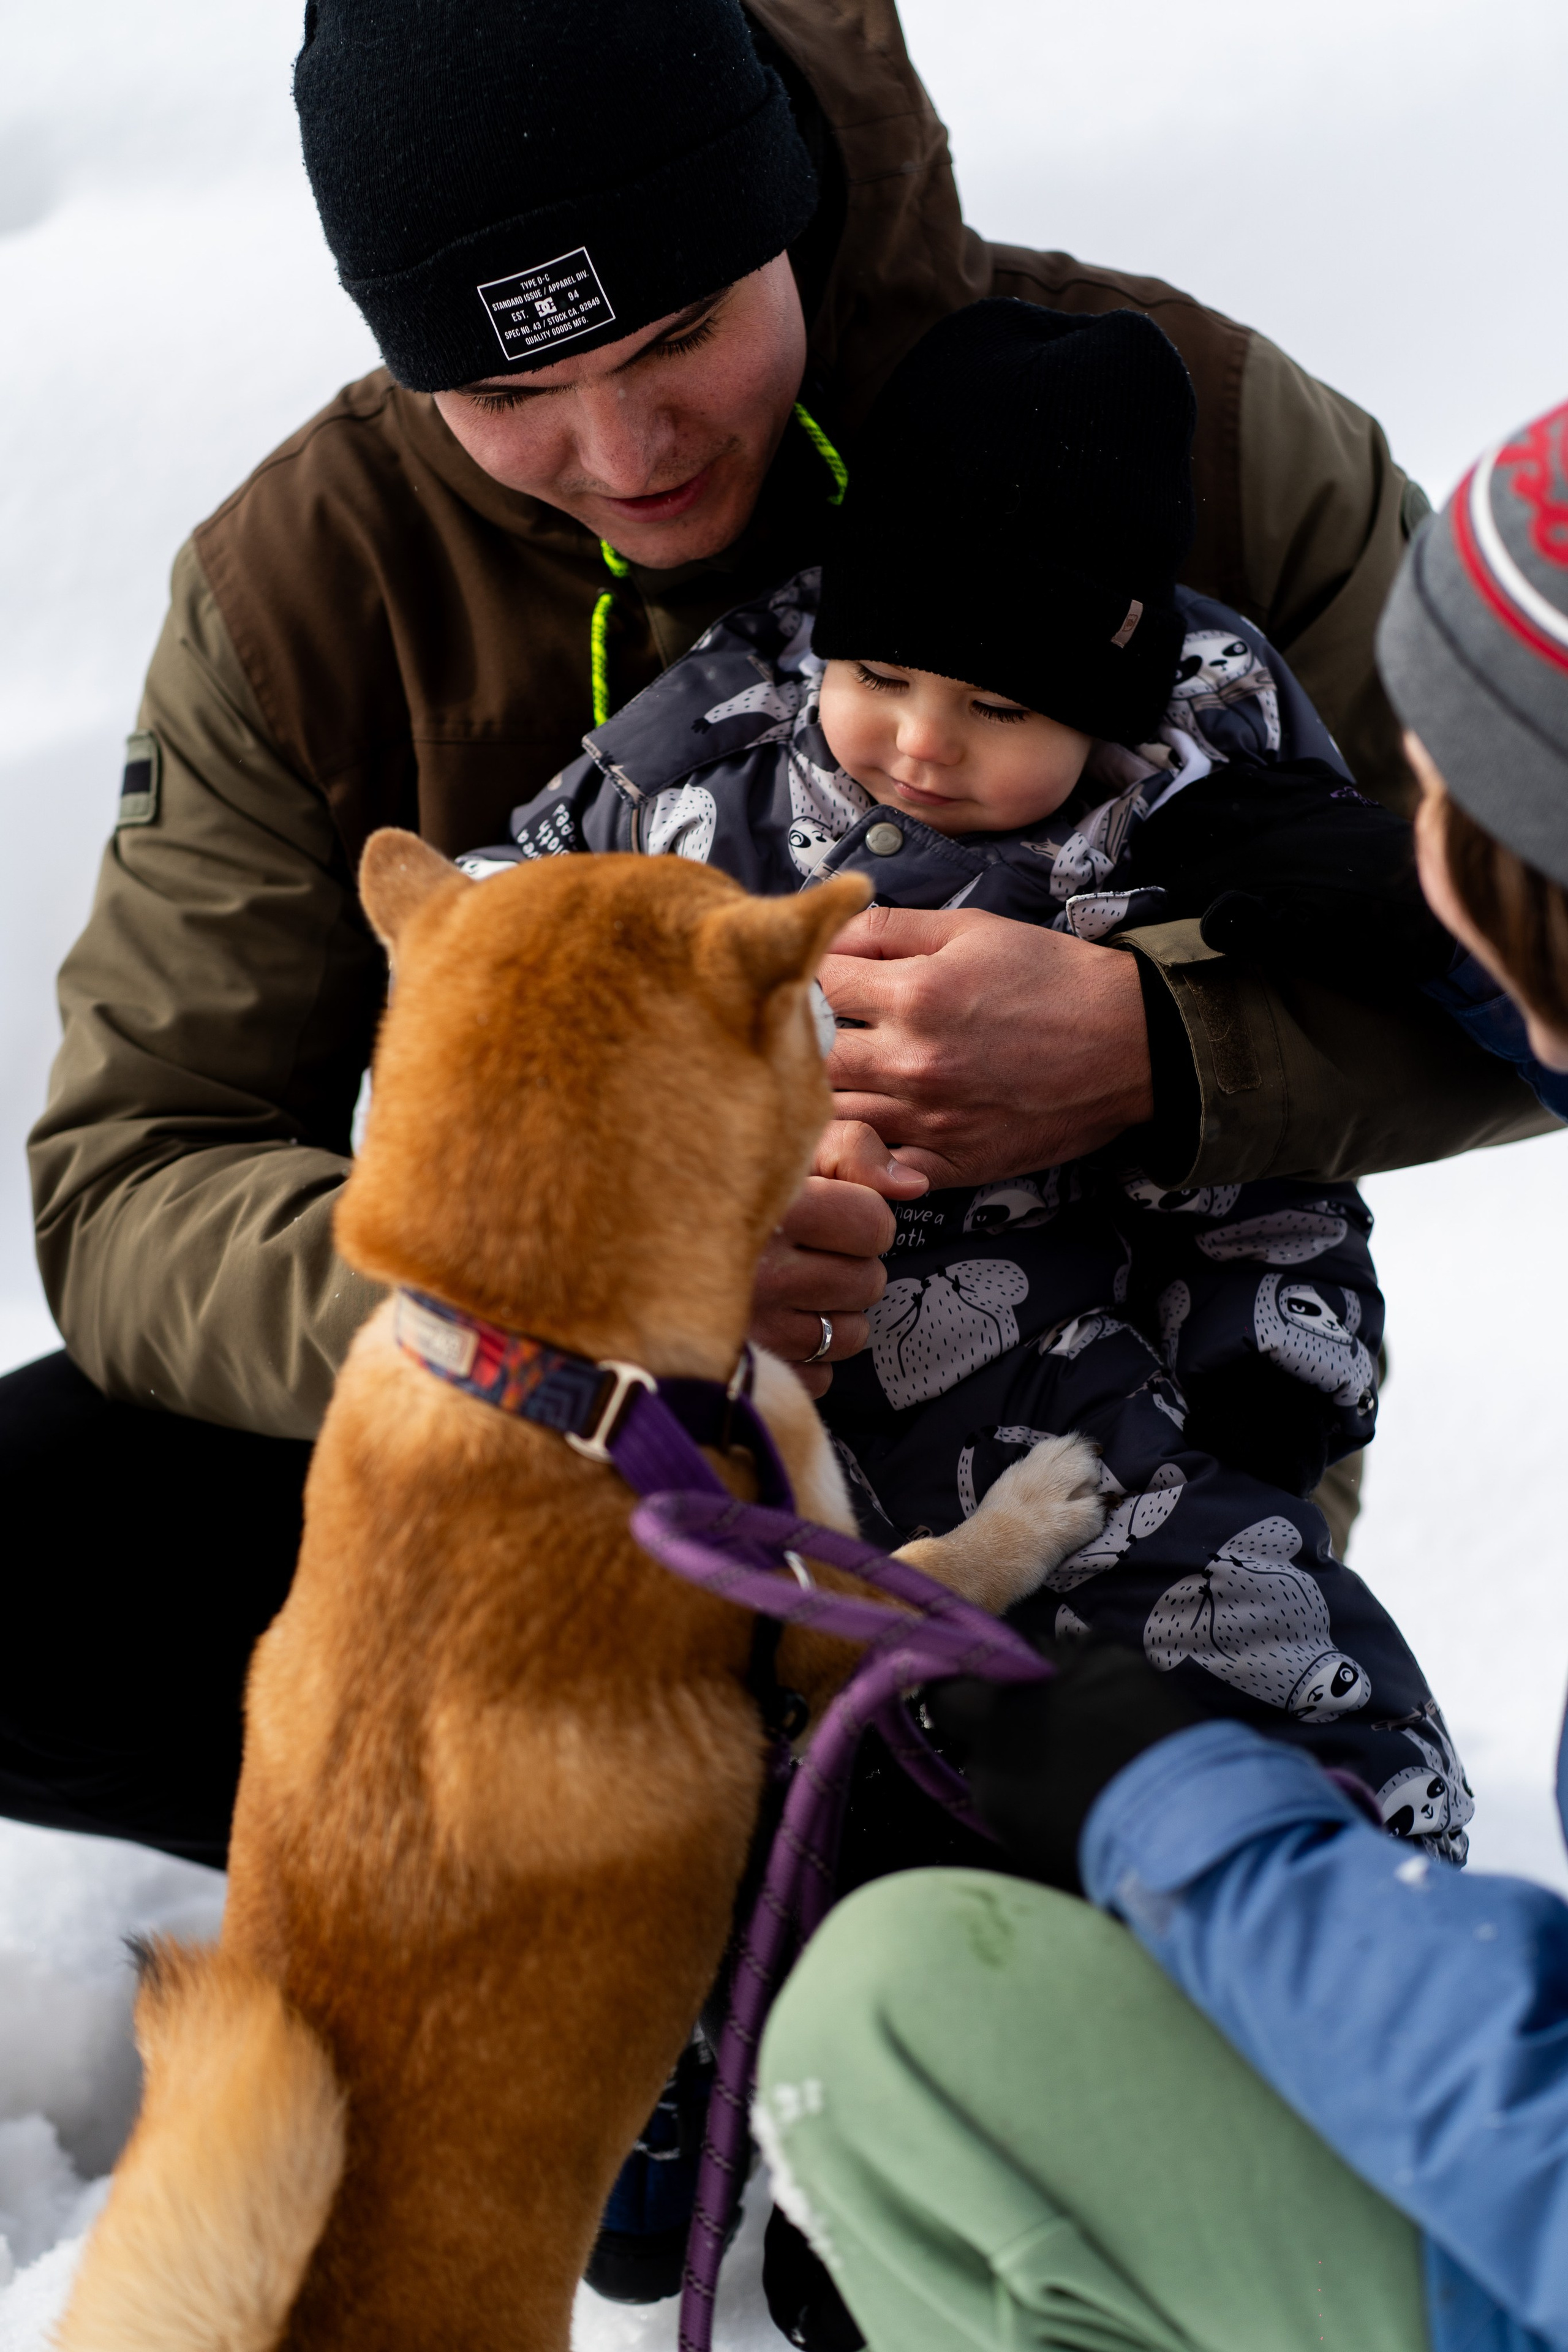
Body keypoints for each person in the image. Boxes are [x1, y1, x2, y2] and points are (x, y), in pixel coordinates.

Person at [8, 0, 1547, 1885]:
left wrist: (1164, 1052)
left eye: (680, 336)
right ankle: (568, 1893)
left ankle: (961, 1893)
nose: (624, 449)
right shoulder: (309, 585)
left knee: (1090, 1880)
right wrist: (557, 1312)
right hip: (555, 1467)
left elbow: (1536, 921)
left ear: (789, 208)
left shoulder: (1178, 427)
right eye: (509, 399)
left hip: (1094, 1424)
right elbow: (134, 1174)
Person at [755, 393, 1568, 2352]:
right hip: (840, 1464)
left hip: (1142, 1483)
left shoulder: (1176, 811)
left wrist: (1200, 1826)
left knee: (897, 2015)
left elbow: (1283, 1233)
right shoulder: (718, 776)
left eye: (1441, 803)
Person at [467, 297, 1474, 1852]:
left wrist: (1277, 1360)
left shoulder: (1193, 806)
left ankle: (1346, 1936)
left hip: (1063, 1365)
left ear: (1113, 697)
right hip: (742, 1379)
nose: (920, 742)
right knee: (671, 1722)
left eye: (1000, 709)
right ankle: (687, 2034)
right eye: (880, 671)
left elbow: (1272, 1175)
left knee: (1244, 1636)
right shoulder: (720, 740)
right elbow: (520, 904)